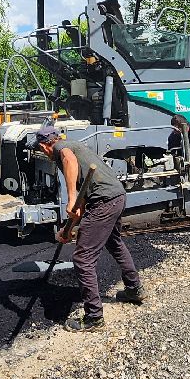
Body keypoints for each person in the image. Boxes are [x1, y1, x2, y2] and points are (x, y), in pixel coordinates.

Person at [33, 122, 145, 331]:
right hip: (116, 196)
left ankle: (94, 317)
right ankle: (134, 288)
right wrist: (68, 229)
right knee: (115, 243)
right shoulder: (75, 145)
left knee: (82, 259)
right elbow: (82, 204)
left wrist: (71, 197)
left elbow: (69, 161)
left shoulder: (61, 150)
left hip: (103, 201)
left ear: (44, 146)